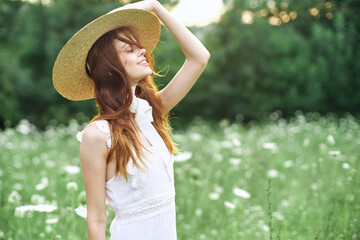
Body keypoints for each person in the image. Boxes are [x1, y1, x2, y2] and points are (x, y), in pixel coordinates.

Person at [52, 0, 210, 239]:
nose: (143, 51)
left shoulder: (152, 113)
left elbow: (199, 57)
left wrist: (157, 8)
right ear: (108, 69)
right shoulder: (98, 135)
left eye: (140, 47)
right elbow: (96, 218)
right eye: (129, 49)